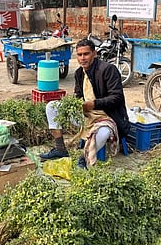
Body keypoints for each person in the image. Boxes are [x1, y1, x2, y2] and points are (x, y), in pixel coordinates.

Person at [39, 38, 133, 168]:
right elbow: (78, 95)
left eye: (86, 54)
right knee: (52, 107)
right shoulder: (79, 73)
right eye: (79, 55)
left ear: (94, 54)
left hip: (107, 116)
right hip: (86, 114)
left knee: (103, 133)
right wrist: (75, 105)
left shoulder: (108, 70)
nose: (82, 58)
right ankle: (60, 148)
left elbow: (117, 98)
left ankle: (84, 158)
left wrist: (93, 104)